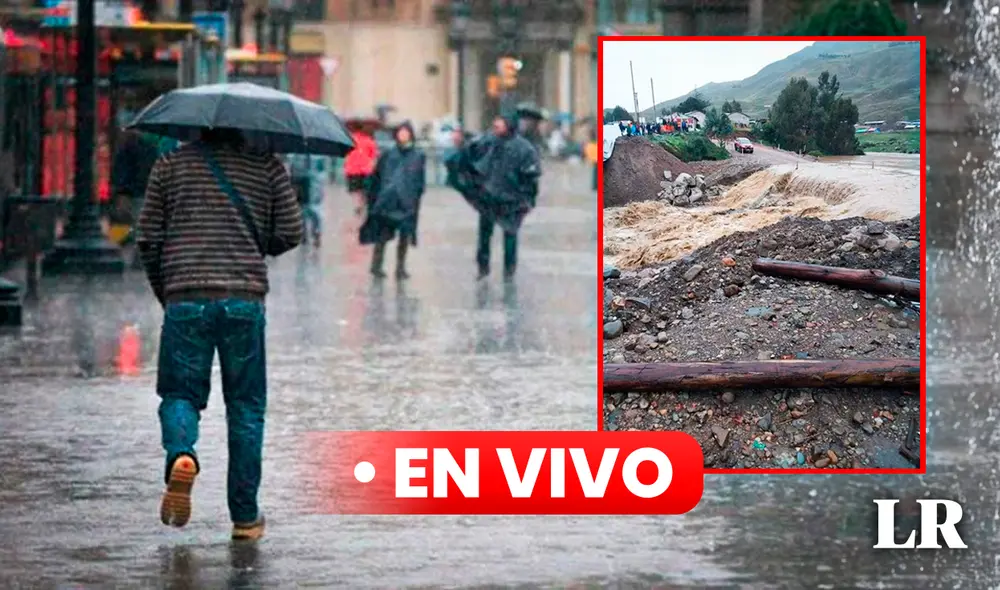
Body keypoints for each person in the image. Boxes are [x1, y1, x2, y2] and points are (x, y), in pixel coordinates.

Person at [136, 127, 304, 541]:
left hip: (186, 296)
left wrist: (168, 290)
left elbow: (147, 237)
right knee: (246, 407)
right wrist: (252, 239)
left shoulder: (170, 165)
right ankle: (245, 518)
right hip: (244, 298)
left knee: (179, 393)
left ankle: (182, 454)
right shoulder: (267, 167)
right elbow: (291, 233)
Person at [464, 109, 541, 281]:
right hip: (488, 198)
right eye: (496, 123)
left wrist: (529, 199)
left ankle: (509, 271)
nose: (496, 126)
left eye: (501, 123)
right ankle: (483, 268)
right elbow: (471, 157)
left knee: (510, 237)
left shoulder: (523, 148)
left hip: (512, 201)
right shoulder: (488, 142)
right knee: (484, 236)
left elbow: (531, 177)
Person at [359, 121, 426, 279]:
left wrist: (415, 196)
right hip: (388, 201)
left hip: (407, 202)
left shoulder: (418, 155)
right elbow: (377, 176)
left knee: (404, 236)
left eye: (406, 132)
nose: (403, 135)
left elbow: (419, 179)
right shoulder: (388, 154)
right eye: (400, 132)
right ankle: (376, 266)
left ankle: (400, 268)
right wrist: (375, 195)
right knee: (382, 236)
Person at [343, 123, 379, 215]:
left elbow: (344, 152)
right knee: (364, 190)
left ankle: (357, 206)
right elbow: (374, 156)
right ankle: (362, 205)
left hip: (352, 169)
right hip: (366, 170)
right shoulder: (369, 141)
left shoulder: (350, 139)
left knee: (354, 190)